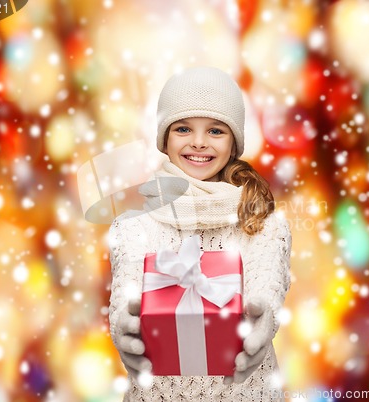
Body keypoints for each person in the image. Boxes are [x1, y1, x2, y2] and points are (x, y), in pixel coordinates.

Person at [108, 66, 291, 401]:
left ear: (234, 140)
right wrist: (123, 325)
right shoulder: (133, 226)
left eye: (216, 131)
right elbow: (126, 293)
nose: (198, 143)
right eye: (183, 128)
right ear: (164, 138)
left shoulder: (263, 222)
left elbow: (268, 285)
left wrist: (264, 317)